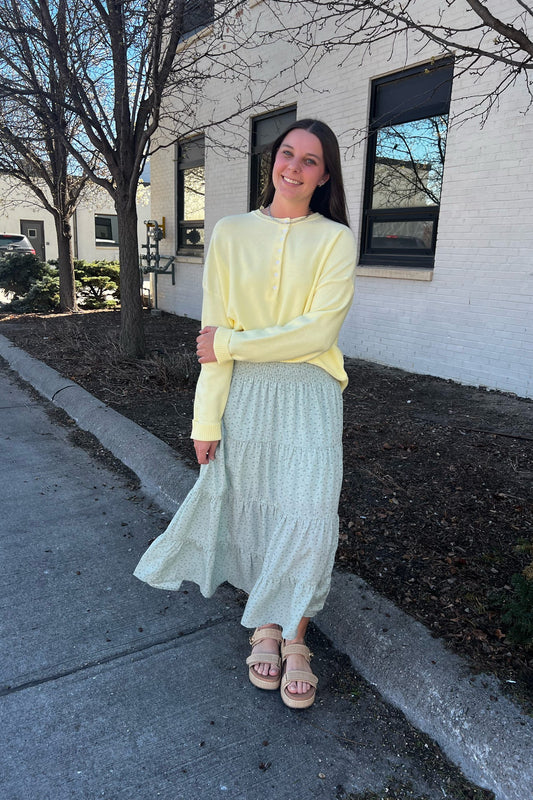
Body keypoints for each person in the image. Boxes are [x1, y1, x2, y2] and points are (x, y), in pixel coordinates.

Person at [134, 118, 356, 709]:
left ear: (324, 175)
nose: (295, 167)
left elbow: (318, 332)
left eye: (311, 161)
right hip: (245, 397)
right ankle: (265, 626)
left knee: (308, 513)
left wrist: (231, 344)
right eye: (288, 154)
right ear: (273, 162)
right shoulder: (230, 233)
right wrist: (205, 421)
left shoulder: (336, 240)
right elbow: (214, 323)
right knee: (255, 509)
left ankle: (297, 635)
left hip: (310, 392)